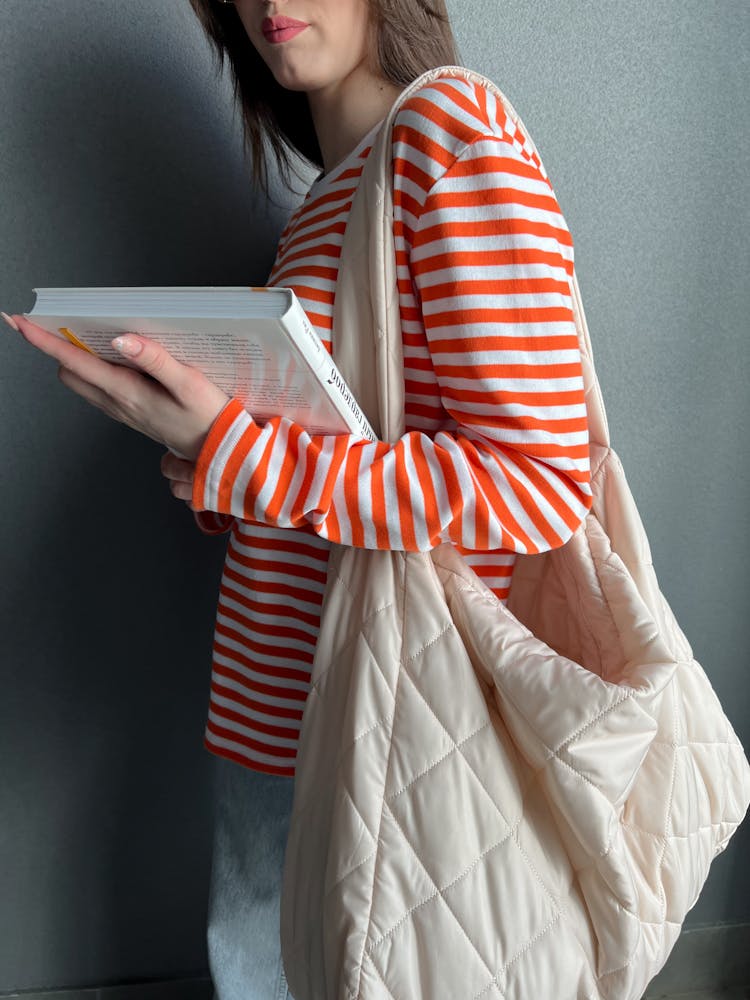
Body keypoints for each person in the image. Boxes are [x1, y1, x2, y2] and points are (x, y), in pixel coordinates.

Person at [3, 0, 593, 996]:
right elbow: (315, 478)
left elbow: (537, 486)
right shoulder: (327, 201)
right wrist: (207, 460)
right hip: (271, 709)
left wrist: (237, 452)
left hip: (395, 723)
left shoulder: (453, 135)